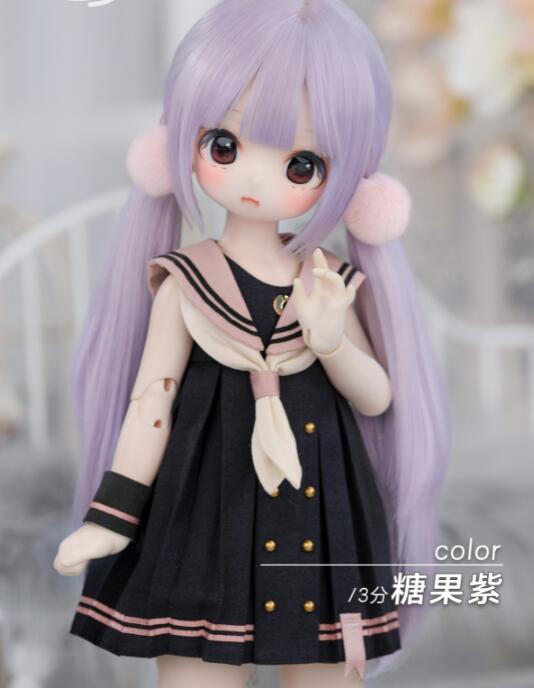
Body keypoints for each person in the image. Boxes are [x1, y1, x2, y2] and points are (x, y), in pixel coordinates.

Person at [53, 1, 449, 686]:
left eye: (301, 163)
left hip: (319, 516)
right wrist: (111, 515)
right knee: (196, 667)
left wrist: (331, 343)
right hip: (205, 515)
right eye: (225, 147)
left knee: (324, 668)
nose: (257, 180)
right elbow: (152, 402)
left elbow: (377, 396)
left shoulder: (326, 284)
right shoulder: (186, 282)